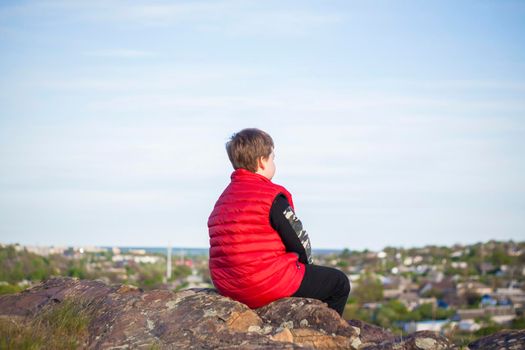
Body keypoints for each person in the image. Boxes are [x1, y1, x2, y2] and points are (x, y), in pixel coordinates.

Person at [207, 128, 350, 316]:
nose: (274, 163)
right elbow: (299, 241)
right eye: (273, 158)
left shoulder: (223, 199)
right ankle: (328, 333)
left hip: (228, 285)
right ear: (262, 161)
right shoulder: (270, 196)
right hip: (261, 283)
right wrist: (306, 268)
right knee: (339, 282)